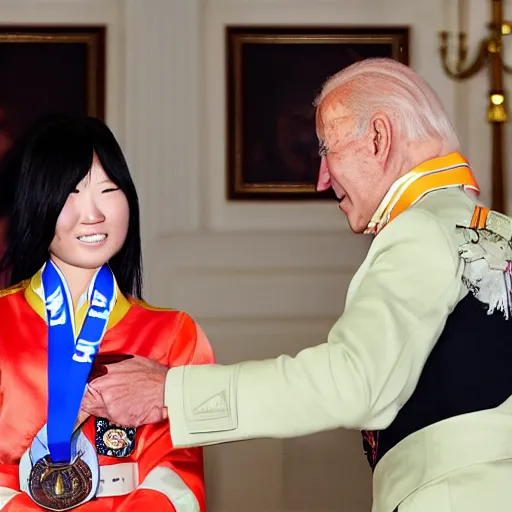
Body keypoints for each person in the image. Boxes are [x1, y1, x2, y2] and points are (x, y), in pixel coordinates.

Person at [81, 57, 512, 511]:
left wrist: (170, 393)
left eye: (326, 148)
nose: (321, 179)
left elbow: (354, 383)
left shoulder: (419, 229)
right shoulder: (497, 230)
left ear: (379, 138)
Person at [0, 116, 214, 511]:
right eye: (70, 193)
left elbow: (177, 469)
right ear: (36, 201)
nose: (93, 213)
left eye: (107, 189)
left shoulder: (173, 334)